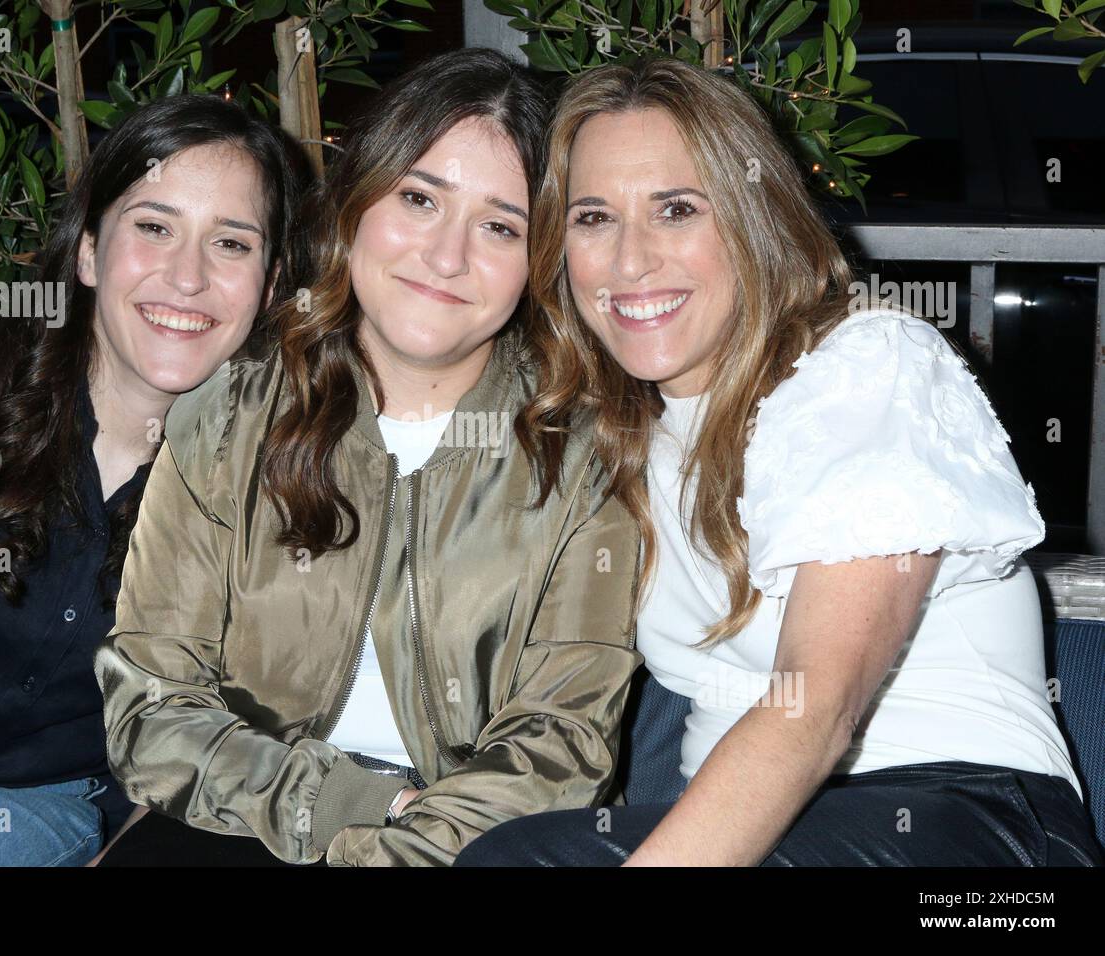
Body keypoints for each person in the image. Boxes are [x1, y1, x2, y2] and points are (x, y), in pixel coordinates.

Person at [455, 55, 1102, 867]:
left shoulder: (864, 367)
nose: (629, 260)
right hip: (744, 826)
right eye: (593, 218)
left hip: (972, 830)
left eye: (676, 209)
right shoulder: (622, 432)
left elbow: (816, 708)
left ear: (752, 220)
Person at [93, 48, 643, 868]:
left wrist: (396, 852)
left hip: (478, 845)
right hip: (233, 821)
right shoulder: (230, 415)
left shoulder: (585, 449)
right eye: (419, 198)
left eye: (500, 225)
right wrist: (357, 805)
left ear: (540, 260)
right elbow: (152, 707)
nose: (447, 256)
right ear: (355, 206)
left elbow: (560, 745)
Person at [0, 93, 309, 866]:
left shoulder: (266, 492)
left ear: (270, 285)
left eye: (232, 244)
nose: (187, 276)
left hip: (24, 817)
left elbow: (210, 740)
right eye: (153, 226)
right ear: (87, 252)